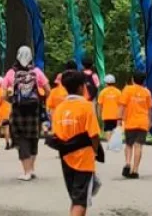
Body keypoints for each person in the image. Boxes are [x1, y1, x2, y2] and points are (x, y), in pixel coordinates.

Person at [47, 70, 104, 216]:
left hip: (66, 159)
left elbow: (56, 135)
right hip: (83, 160)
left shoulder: (59, 108)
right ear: (81, 87)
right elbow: (94, 135)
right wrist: (96, 151)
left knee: (75, 198)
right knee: (80, 201)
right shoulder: (86, 106)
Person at [5, 46, 49, 180]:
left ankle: (27, 171)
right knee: (33, 137)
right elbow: (48, 90)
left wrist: (12, 100)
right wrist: (40, 100)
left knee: (21, 138)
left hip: (18, 109)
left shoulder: (11, 73)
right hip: (34, 109)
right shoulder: (36, 72)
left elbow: (3, 95)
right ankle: (32, 168)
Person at [118, 70, 152, 179]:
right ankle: (135, 170)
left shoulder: (127, 90)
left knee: (129, 145)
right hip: (143, 122)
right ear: (143, 81)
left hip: (130, 122)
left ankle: (128, 163)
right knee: (138, 146)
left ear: (133, 79)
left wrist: (119, 118)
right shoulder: (147, 92)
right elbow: (149, 109)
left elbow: (122, 105)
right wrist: (150, 121)